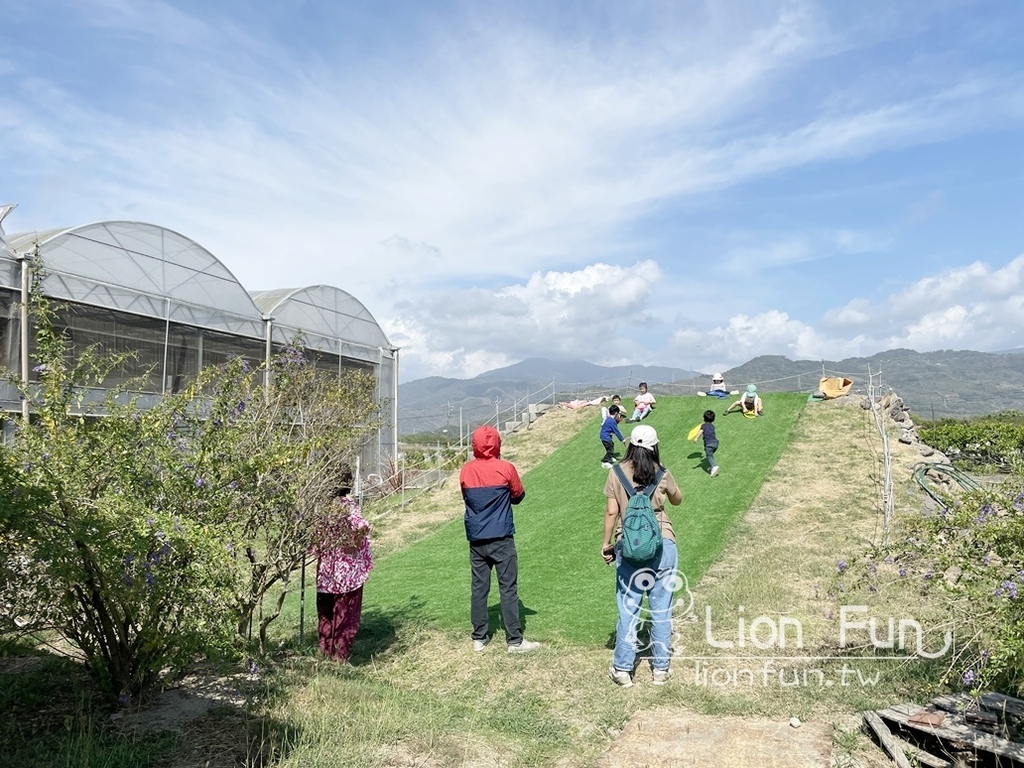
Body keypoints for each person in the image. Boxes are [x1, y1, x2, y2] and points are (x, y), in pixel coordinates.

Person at [600, 424, 683, 687]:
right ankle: (660, 669)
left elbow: (612, 512)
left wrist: (606, 544)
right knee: (661, 607)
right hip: (663, 542)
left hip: (629, 545)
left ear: (630, 445)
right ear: (654, 446)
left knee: (629, 607)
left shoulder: (616, 473)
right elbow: (678, 499)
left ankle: (623, 669)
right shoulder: (662, 472)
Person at [460, 425, 540, 654]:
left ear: (474, 444)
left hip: (476, 540)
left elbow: (467, 497)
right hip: (502, 538)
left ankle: (479, 637)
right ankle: (514, 640)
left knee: (479, 587)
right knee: (508, 588)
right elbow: (518, 496)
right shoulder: (506, 468)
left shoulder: (466, 470)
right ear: (497, 444)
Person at [314, 481, 374, 661]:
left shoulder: (320, 508)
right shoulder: (346, 505)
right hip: (347, 574)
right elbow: (362, 525)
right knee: (345, 614)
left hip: (326, 572)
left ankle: (325, 653)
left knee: (326, 614)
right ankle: (339, 657)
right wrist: (353, 545)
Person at [691, 409, 720, 477]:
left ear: (703, 418)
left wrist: (696, 438)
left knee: (709, 455)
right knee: (710, 454)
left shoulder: (703, 426)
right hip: (716, 443)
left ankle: (714, 466)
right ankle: (712, 467)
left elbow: (700, 432)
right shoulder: (712, 426)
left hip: (709, 444)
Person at [599, 404, 626, 468]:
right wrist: (622, 439)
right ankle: (605, 462)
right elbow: (616, 431)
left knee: (611, 445)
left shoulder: (609, 419)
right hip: (606, 437)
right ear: (616, 413)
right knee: (610, 449)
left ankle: (609, 457)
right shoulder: (612, 421)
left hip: (604, 436)